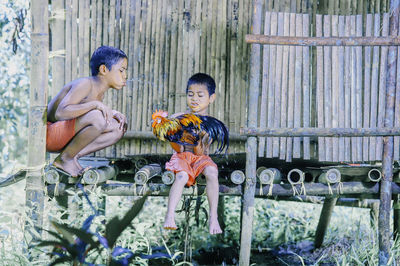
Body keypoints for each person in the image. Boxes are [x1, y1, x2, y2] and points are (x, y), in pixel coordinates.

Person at [46, 46, 128, 177]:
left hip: (63, 136)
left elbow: (82, 113)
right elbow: (61, 113)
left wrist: (112, 112)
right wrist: (96, 105)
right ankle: (65, 159)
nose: (125, 76)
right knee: (97, 117)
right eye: (121, 71)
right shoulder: (85, 84)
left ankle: (72, 157)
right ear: (103, 69)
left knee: (118, 126)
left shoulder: (99, 91)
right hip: (48, 135)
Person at [163, 73, 223, 235]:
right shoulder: (177, 118)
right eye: (190, 94)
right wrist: (171, 135)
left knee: (212, 171)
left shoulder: (210, 123)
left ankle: (213, 217)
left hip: (200, 157)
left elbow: (200, 151)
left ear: (211, 98)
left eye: (200, 95)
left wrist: (197, 140)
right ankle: (169, 215)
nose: (194, 99)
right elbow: (179, 149)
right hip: (182, 157)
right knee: (181, 175)